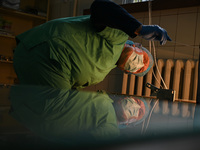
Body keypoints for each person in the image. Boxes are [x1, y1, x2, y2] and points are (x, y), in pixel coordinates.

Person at [13, 0, 171, 89]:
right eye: (142, 59)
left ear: (128, 73)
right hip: (45, 50)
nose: (137, 64)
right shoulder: (119, 36)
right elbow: (100, 7)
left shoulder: (101, 74)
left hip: (35, 62)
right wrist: (138, 28)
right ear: (137, 46)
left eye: (138, 69)